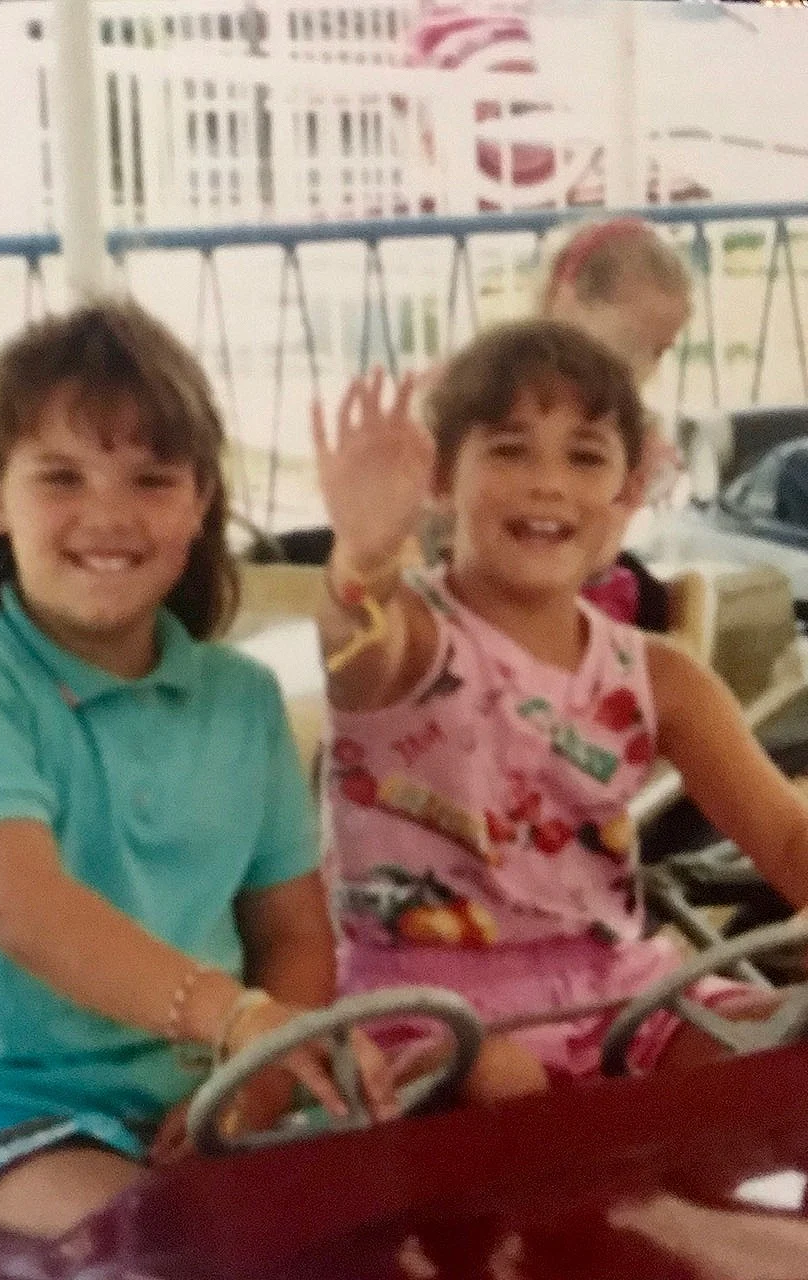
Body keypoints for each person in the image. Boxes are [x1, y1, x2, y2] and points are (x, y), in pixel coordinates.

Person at [0, 301, 399, 1240]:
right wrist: (232, 1019)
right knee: (154, 1244)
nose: (107, 516)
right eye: (61, 477)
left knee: (415, 1210)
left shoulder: (238, 698)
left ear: (198, 505)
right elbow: (18, 904)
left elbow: (291, 932)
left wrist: (256, 1087)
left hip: (197, 1093)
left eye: (152, 480)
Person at [312, 318, 808, 1084]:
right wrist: (362, 558)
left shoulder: (659, 675)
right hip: (425, 1007)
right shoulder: (411, 635)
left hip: (617, 989)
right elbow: (355, 641)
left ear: (627, 491)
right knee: (500, 1079)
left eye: (585, 457)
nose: (549, 483)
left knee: (778, 1038)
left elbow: (784, 837)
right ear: (441, 480)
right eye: (509, 450)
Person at [541, 217, 692, 629]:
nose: (641, 371)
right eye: (627, 346)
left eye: (658, 352)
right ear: (565, 304)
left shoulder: (631, 430)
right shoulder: (481, 395)